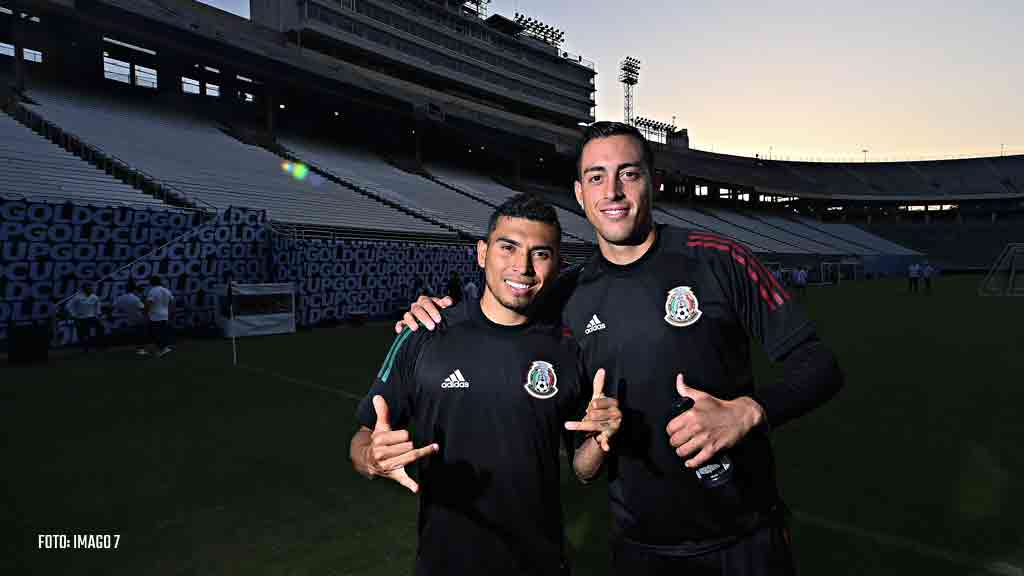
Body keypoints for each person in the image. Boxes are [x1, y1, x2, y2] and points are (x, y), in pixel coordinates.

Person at [399, 122, 844, 576]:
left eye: (628, 174)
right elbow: (500, 312)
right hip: (638, 549)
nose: (612, 191)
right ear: (579, 193)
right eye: (596, 177)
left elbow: (820, 366)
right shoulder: (566, 296)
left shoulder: (718, 258)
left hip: (744, 540)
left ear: (654, 182)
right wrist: (434, 313)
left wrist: (747, 411)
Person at [350, 194, 618, 576]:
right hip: (444, 564)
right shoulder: (425, 332)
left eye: (540, 254)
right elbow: (363, 436)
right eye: (508, 247)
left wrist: (601, 439)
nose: (523, 266)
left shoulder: (568, 350)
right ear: (482, 253)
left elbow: (583, 470)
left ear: (556, 264)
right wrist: (371, 457)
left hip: (540, 564)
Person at [113, 281, 148, 355]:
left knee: (136, 335)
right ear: (134, 289)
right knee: (141, 334)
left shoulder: (121, 298)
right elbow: (143, 308)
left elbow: (113, 305)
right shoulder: (135, 298)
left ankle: (139, 348)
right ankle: (141, 349)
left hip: (130, 318)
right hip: (139, 318)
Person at [66, 282, 102, 352]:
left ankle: (98, 346)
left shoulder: (94, 297)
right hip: (80, 318)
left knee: (99, 329)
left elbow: (97, 307)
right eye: (88, 288)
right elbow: (68, 306)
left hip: (92, 317)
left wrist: (98, 316)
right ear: (84, 289)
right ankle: (85, 347)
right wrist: (73, 315)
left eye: (91, 288)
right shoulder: (77, 297)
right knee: (82, 334)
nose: (90, 289)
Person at [144, 275, 175, 357]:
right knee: (162, 333)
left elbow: (148, 303)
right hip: (165, 315)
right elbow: (172, 302)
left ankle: (160, 350)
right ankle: (162, 348)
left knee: (155, 334)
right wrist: (170, 313)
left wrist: (145, 312)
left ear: (152, 282)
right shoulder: (166, 290)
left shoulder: (153, 291)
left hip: (155, 316)